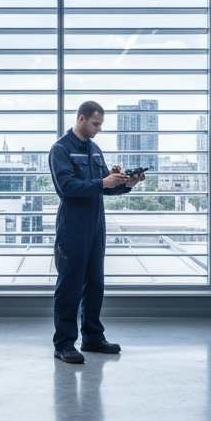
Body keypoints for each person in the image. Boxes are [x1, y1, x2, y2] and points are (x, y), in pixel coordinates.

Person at [48, 100, 145, 364]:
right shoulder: (61, 150)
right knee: (69, 284)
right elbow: (67, 186)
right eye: (96, 124)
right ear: (81, 119)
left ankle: (92, 337)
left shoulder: (95, 151)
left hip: (95, 224)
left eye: (100, 124)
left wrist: (128, 183)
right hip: (73, 225)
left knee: (95, 283)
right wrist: (103, 181)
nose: (99, 129)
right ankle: (64, 344)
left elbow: (105, 187)